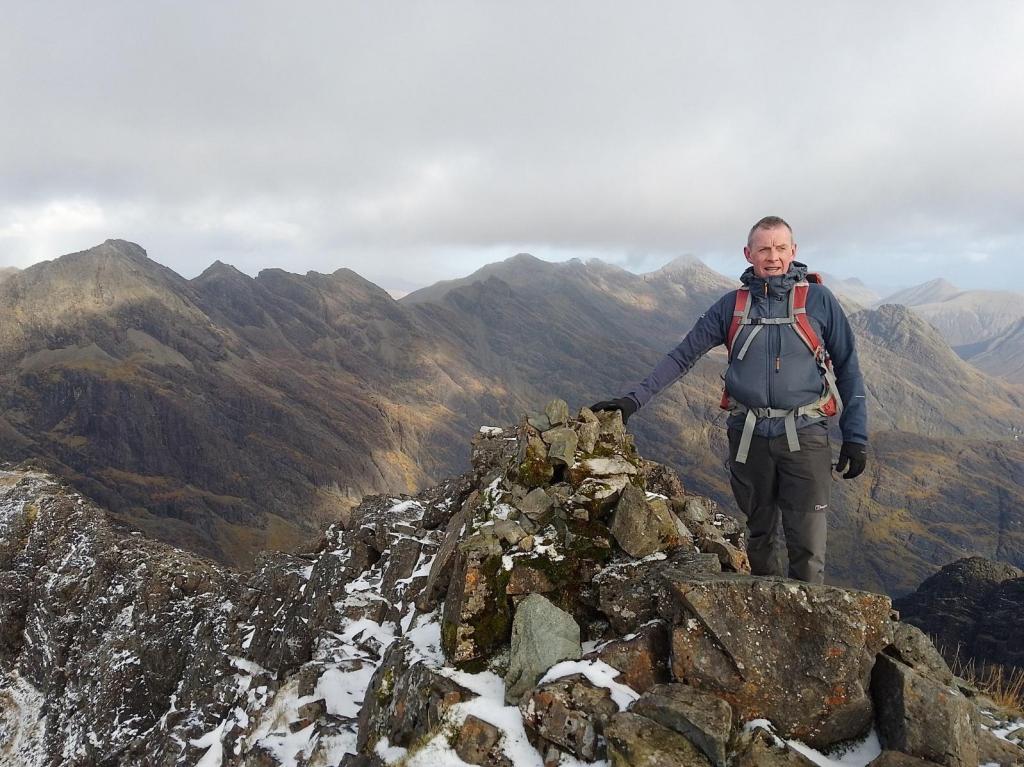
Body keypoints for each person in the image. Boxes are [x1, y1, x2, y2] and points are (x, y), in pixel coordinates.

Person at [592, 216, 867, 584]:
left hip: (805, 435)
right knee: (760, 539)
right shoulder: (730, 307)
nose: (773, 257)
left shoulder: (819, 301)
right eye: (764, 249)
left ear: (794, 251)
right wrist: (632, 400)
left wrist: (856, 436)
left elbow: (848, 367)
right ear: (748, 254)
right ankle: (764, 611)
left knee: (808, 547)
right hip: (749, 438)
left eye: (780, 248)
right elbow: (682, 356)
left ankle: (804, 617)